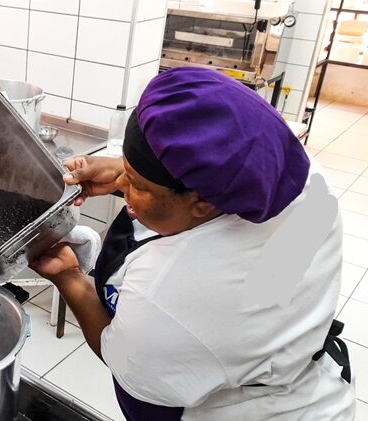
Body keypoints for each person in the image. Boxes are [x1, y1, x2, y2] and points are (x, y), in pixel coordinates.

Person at [30, 67, 356, 420]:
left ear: (203, 201)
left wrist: (68, 276)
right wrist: (129, 170)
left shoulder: (175, 291)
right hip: (308, 380)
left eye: (138, 186)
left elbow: (123, 358)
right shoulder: (303, 181)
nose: (125, 191)